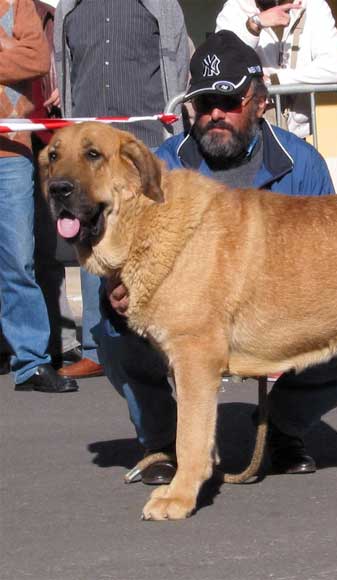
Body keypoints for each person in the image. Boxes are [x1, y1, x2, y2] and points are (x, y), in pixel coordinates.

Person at [99, 30, 337, 484]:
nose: (214, 114)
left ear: (260, 100)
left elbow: (332, 255)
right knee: (111, 323)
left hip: (280, 311)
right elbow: (123, 245)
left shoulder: (302, 163)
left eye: (228, 102)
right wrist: (113, 285)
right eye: (203, 102)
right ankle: (165, 443)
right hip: (185, 316)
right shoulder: (161, 166)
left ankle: (283, 429)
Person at [52, 0, 191, 379]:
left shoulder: (161, 6)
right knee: (90, 238)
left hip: (146, 147)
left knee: (157, 245)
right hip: (89, 160)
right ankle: (99, 347)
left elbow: (179, 64)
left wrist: (172, 130)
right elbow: (64, 73)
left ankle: (175, 341)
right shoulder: (71, 9)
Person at [0, 0, 78, 393]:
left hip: (10, 151)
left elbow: (36, 57)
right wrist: (6, 52)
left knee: (18, 259)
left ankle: (31, 361)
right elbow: (20, 57)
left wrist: (16, 54)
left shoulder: (16, 2)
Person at [31, 0, 82, 369]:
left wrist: (66, 88)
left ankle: (60, 342)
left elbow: (46, 63)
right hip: (16, 139)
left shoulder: (54, 16)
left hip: (50, 141)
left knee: (49, 250)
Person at [215, 0, 337, 138]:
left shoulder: (314, 5)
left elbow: (334, 68)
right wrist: (254, 25)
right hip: (248, 131)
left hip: (296, 135)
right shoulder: (235, 7)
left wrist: (275, 80)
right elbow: (224, 66)